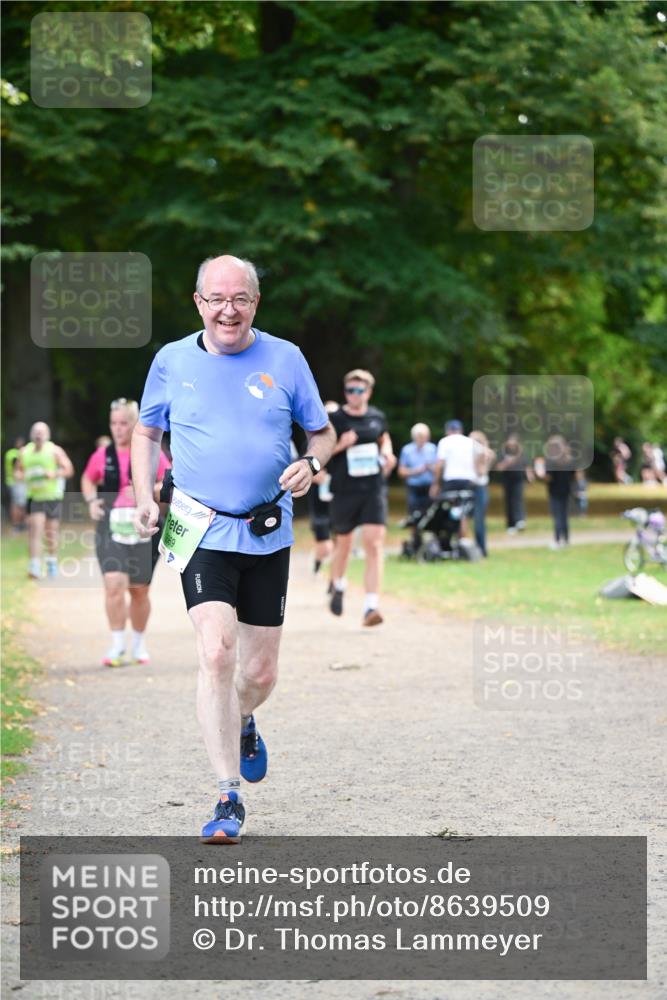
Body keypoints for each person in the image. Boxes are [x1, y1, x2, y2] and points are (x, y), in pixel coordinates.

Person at [132, 254, 334, 843]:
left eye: (240, 298)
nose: (228, 309)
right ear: (197, 302)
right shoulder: (171, 360)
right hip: (198, 526)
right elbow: (147, 431)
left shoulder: (286, 358)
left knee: (259, 672)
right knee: (216, 653)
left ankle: (244, 719)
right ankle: (226, 795)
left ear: (255, 302)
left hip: (268, 529)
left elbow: (321, 430)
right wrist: (145, 495)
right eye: (216, 298)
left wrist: (312, 460)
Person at [81, 399, 171, 667]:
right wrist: (91, 501)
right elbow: (88, 478)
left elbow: (168, 482)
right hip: (110, 527)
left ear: (135, 423)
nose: (118, 429)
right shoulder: (102, 455)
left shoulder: (149, 452)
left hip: (145, 528)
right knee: (113, 585)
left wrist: (147, 492)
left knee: (139, 590)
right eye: (114, 423)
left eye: (124, 423)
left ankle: (139, 645)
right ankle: (117, 645)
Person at [327, 369, 396, 626]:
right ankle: (339, 584)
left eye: (359, 391)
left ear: (368, 392)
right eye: (349, 390)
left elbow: (383, 437)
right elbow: (320, 453)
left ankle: (371, 608)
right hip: (345, 489)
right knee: (343, 545)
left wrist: (388, 453)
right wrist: (341, 445)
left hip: (373, 488)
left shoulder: (377, 417)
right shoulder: (335, 419)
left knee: (374, 544)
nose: (354, 395)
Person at [18, 422, 74, 579]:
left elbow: (69, 469)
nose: (38, 434)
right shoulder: (24, 452)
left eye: (42, 432)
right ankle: (34, 565)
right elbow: (17, 471)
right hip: (34, 497)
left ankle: (51, 561)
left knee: (51, 532)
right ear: (31, 434)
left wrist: (54, 473)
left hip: (52, 496)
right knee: (35, 529)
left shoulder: (55, 451)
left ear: (47, 435)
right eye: (36, 431)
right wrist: (22, 476)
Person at [429, 420, 483, 540]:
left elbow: (440, 464)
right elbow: (484, 453)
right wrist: (479, 470)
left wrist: (435, 484)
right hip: (468, 481)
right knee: (463, 512)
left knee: (446, 509)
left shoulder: (445, 442)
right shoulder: (469, 442)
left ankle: (446, 536)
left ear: (448, 431)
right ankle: (463, 539)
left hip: (451, 480)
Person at [307, 401, 339, 578]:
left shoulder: (344, 437)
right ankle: (317, 564)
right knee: (325, 544)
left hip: (336, 497)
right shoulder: (314, 438)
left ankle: (334, 579)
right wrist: (312, 474)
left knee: (338, 542)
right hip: (318, 498)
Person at [535, 435, 575, 550]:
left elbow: (548, 478)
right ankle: (566, 540)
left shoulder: (551, 461)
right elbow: (574, 476)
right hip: (566, 490)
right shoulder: (569, 460)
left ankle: (557, 540)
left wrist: (539, 476)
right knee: (564, 516)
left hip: (554, 491)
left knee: (557, 516)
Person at [398, 423, 437, 515]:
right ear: (413, 437)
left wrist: (431, 467)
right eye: (419, 436)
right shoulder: (407, 450)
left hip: (430, 487)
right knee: (413, 514)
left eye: (424, 436)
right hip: (413, 488)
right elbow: (401, 472)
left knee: (430, 514)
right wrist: (416, 471)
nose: (421, 439)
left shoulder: (433, 449)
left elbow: (439, 469)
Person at [469, 430, 496, 557]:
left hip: (479, 488)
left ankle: (481, 549)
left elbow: (481, 472)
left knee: (479, 520)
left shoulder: (483, 455)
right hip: (470, 488)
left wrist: (479, 457)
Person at [495, 433, 528, 534]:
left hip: (518, 479)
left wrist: (529, 476)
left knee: (518, 498)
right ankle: (511, 525)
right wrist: (509, 461)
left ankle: (520, 520)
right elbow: (499, 468)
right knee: (509, 501)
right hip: (507, 479)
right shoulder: (503, 453)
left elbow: (526, 466)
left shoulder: (522, 454)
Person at [4, 435, 27, 532]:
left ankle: (20, 524)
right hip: (16, 482)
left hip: (14, 481)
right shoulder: (15, 454)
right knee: (17, 504)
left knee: (18, 503)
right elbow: (17, 469)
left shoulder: (9, 453)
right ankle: (17, 524)